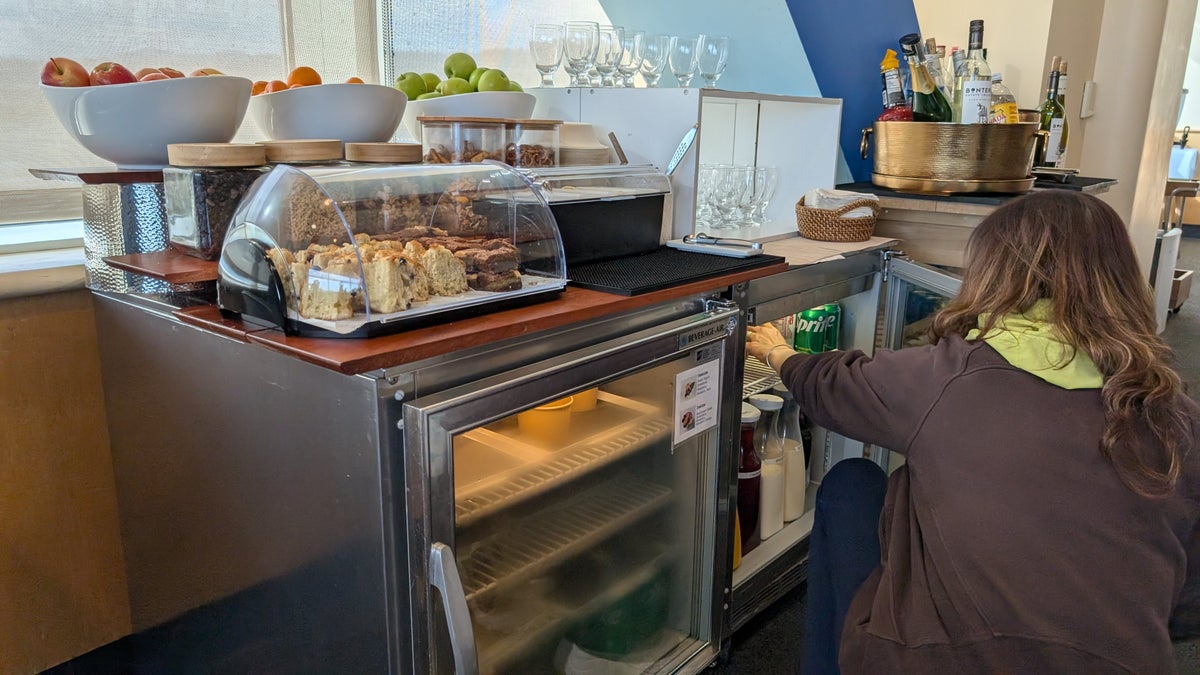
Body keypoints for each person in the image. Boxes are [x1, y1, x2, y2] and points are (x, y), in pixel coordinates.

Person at [745, 190, 1200, 674]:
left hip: (934, 663)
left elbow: (833, 386)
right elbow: (1186, 606)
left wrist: (780, 353)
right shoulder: (1180, 419)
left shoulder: (948, 377)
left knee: (853, 483)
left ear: (995, 276)